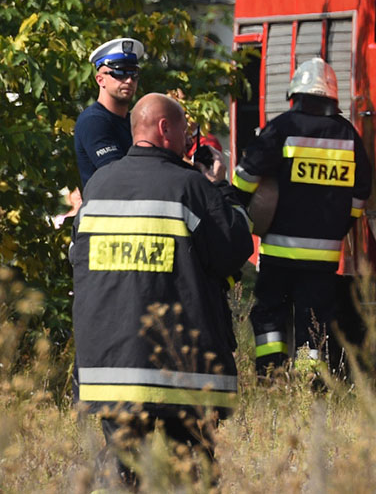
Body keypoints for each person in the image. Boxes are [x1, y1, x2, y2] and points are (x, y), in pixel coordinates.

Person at [70, 93, 253, 489]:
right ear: (163, 128)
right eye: (185, 129)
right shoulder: (190, 187)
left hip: (109, 370)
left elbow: (77, 261)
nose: (189, 138)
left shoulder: (98, 187)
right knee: (189, 477)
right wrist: (220, 188)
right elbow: (233, 250)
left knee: (120, 476)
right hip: (178, 371)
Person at [231, 57, 371, 378]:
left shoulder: (282, 128)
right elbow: (361, 194)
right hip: (323, 257)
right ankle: (307, 380)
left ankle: (271, 375)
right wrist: (339, 227)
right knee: (313, 322)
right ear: (332, 98)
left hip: (279, 252)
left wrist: (241, 208)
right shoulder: (349, 136)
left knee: (269, 315)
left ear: (295, 95)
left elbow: (246, 176)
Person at [74, 37, 145, 188]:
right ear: (100, 80)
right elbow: (119, 175)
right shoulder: (93, 121)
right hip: (104, 210)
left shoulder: (133, 121)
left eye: (134, 74)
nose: (129, 81)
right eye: (119, 73)